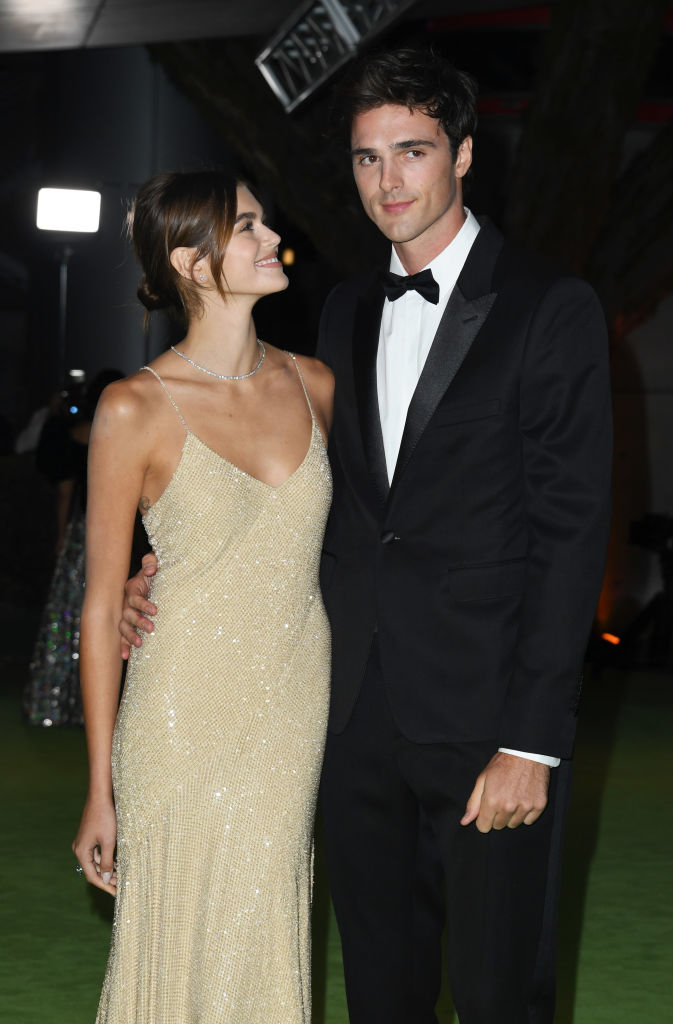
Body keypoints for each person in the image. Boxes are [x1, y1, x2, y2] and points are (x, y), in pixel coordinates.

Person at [121, 50, 612, 1024]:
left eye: (411, 152)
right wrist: (168, 569)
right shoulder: (344, 310)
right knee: (379, 994)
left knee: (495, 991)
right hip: (346, 716)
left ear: (464, 155)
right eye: (364, 158)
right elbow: (305, 496)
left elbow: (570, 531)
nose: (386, 181)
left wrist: (533, 741)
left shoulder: (548, 309)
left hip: (485, 719)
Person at [72, 170, 333, 1024]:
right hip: (178, 707)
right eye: (247, 227)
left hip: (291, 697)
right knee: (178, 922)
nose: (269, 237)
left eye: (263, 220)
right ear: (192, 261)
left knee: (261, 915)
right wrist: (100, 786)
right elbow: (104, 606)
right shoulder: (132, 408)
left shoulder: (317, 386)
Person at [26, 368, 123, 727]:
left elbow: (66, 492)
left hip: (82, 534)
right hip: (112, 535)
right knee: (100, 615)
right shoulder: (122, 434)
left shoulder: (79, 435)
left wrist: (61, 535)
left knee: (69, 616)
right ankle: (89, 707)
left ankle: (55, 702)